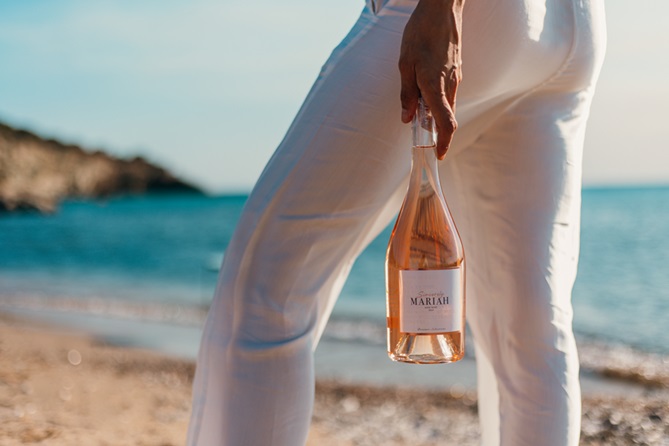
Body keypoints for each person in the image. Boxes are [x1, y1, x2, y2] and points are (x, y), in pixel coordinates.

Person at [187, 0, 606, 444]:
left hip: (473, 18)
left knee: (267, 293)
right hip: (574, 27)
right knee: (529, 334)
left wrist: (441, 8)